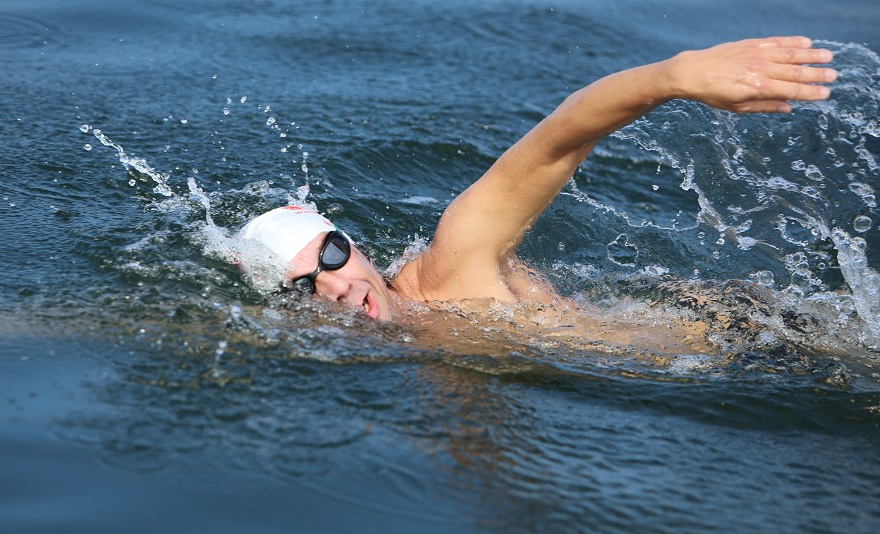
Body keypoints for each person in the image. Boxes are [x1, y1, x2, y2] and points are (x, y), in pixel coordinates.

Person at [241, 37, 838, 326]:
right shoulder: (411, 342)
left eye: (332, 255)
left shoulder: (453, 266)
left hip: (759, 339)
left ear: (351, 242)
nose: (336, 287)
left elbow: (558, 139)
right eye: (301, 289)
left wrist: (674, 76)